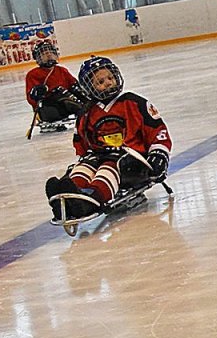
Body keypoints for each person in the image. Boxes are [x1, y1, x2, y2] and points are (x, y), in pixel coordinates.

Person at [45, 55, 172, 220]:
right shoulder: (87, 112)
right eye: (100, 82)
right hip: (100, 154)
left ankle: (91, 201)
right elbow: (81, 140)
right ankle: (68, 198)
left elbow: (158, 131)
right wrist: (84, 157)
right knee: (85, 166)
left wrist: (158, 155)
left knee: (109, 168)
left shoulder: (134, 102)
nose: (108, 83)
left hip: (131, 158)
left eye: (110, 78)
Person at [25, 40, 84, 124]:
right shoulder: (33, 74)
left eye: (50, 52)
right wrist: (36, 94)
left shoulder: (62, 70)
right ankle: (79, 109)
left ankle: (86, 108)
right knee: (59, 92)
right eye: (44, 53)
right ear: (38, 58)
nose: (49, 55)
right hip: (48, 107)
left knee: (76, 92)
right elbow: (31, 98)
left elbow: (74, 85)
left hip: (65, 103)